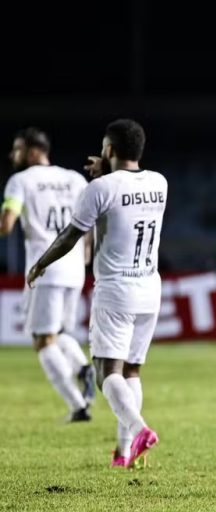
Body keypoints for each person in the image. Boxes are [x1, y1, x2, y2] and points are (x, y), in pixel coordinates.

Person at [27, 119, 167, 469]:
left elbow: (69, 237)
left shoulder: (99, 189)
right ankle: (122, 454)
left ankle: (138, 430)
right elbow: (126, 191)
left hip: (117, 290)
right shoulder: (160, 183)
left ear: (108, 149)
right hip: (150, 287)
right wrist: (108, 168)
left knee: (107, 373)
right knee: (131, 371)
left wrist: (39, 264)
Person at [1, 127, 95, 422]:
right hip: (75, 267)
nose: (12, 155)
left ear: (31, 152)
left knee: (43, 340)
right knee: (60, 333)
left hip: (46, 267)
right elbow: (89, 223)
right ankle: (83, 367)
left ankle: (77, 405)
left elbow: (6, 224)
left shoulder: (20, 181)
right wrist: (86, 255)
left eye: (16, 149)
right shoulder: (74, 179)